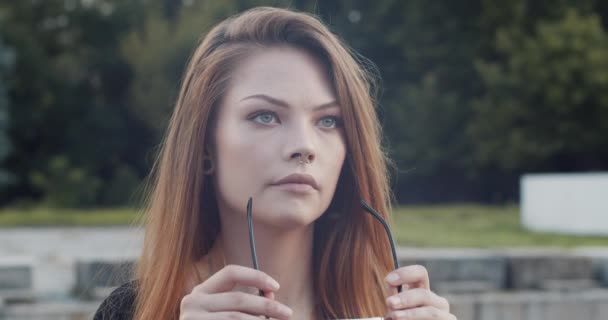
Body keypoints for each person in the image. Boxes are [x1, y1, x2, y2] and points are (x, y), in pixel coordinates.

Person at [94, 6, 456, 320]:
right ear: (204, 145)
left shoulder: (393, 308)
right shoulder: (134, 311)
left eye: (329, 121)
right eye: (265, 116)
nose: (304, 146)